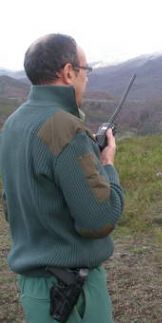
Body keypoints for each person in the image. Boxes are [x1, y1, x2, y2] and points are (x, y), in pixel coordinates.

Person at [0, 34, 125, 322]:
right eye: (86, 70)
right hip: (73, 295)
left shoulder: (14, 123)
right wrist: (106, 165)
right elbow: (100, 219)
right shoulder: (64, 127)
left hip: (35, 292)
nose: (87, 79)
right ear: (69, 72)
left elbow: (13, 205)